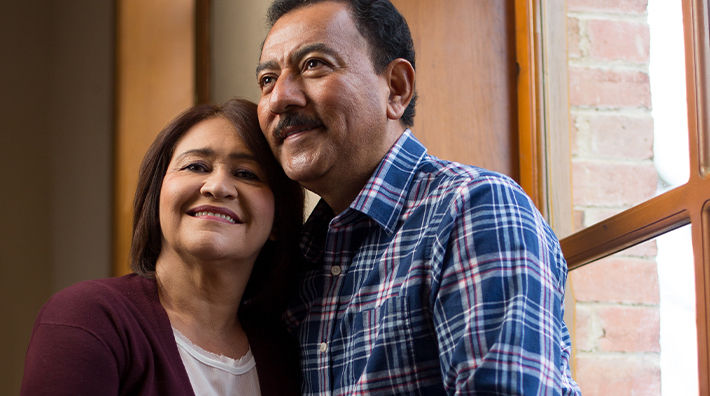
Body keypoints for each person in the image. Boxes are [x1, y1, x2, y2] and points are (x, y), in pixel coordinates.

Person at [255, 0, 581, 394]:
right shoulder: (300, 256)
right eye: (268, 80)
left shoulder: (474, 208)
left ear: (396, 88)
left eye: (314, 65)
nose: (279, 98)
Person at [21, 99, 304, 396]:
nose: (217, 186)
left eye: (247, 173)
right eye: (195, 166)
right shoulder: (87, 318)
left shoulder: (286, 353)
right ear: (157, 195)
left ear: (278, 217)